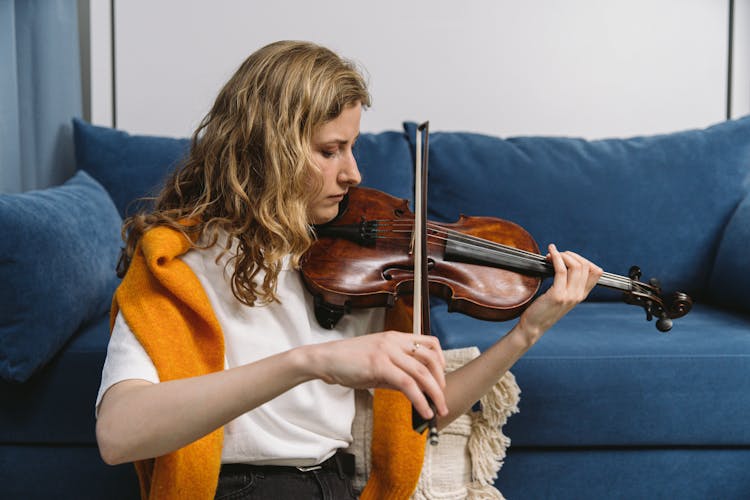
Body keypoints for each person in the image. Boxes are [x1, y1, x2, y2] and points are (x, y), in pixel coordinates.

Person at [95, 40, 603, 500]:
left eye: (351, 147)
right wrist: (312, 361)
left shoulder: (352, 268)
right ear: (267, 149)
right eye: (329, 150)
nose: (353, 173)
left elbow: (429, 408)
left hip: (336, 486)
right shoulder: (179, 262)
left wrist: (525, 333)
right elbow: (118, 435)